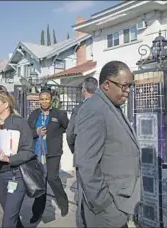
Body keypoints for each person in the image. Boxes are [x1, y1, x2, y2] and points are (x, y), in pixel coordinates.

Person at [75, 61, 141, 228]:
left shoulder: (111, 106)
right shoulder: (94, 109)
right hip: (106, 209)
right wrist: (105, 205)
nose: (128, 91)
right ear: (106, 85)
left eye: (130, 86)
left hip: (117, 204)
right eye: (124, 86)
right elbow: (86, 164)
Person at [0, 86, 35, 228]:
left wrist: (9, 159)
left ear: (5, 104)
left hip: (17, 177)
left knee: (7, 221)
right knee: (10, 216)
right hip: (0, 179)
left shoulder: (20, 123)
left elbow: (29, 151)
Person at [27, 88, 69, 223]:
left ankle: (63, 203)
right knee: (40, 183)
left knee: (52, 178)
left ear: (51, 100)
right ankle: (37, 212)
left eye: (47, 99)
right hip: (37, 153)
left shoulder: (59, 114)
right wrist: (36, 132)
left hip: (53, 152)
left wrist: (53, 136)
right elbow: (27, 132)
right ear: (39, 100)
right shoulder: (34, 114)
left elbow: (67, 128)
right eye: (42, 99)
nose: (44, 101)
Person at [66, 77, 98, 227]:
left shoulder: (79, 109)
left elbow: (70, 134)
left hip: (82, 157)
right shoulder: (104, 107)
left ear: (84, 90)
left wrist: (75, 151)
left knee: (82, 195)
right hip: (100, 157)